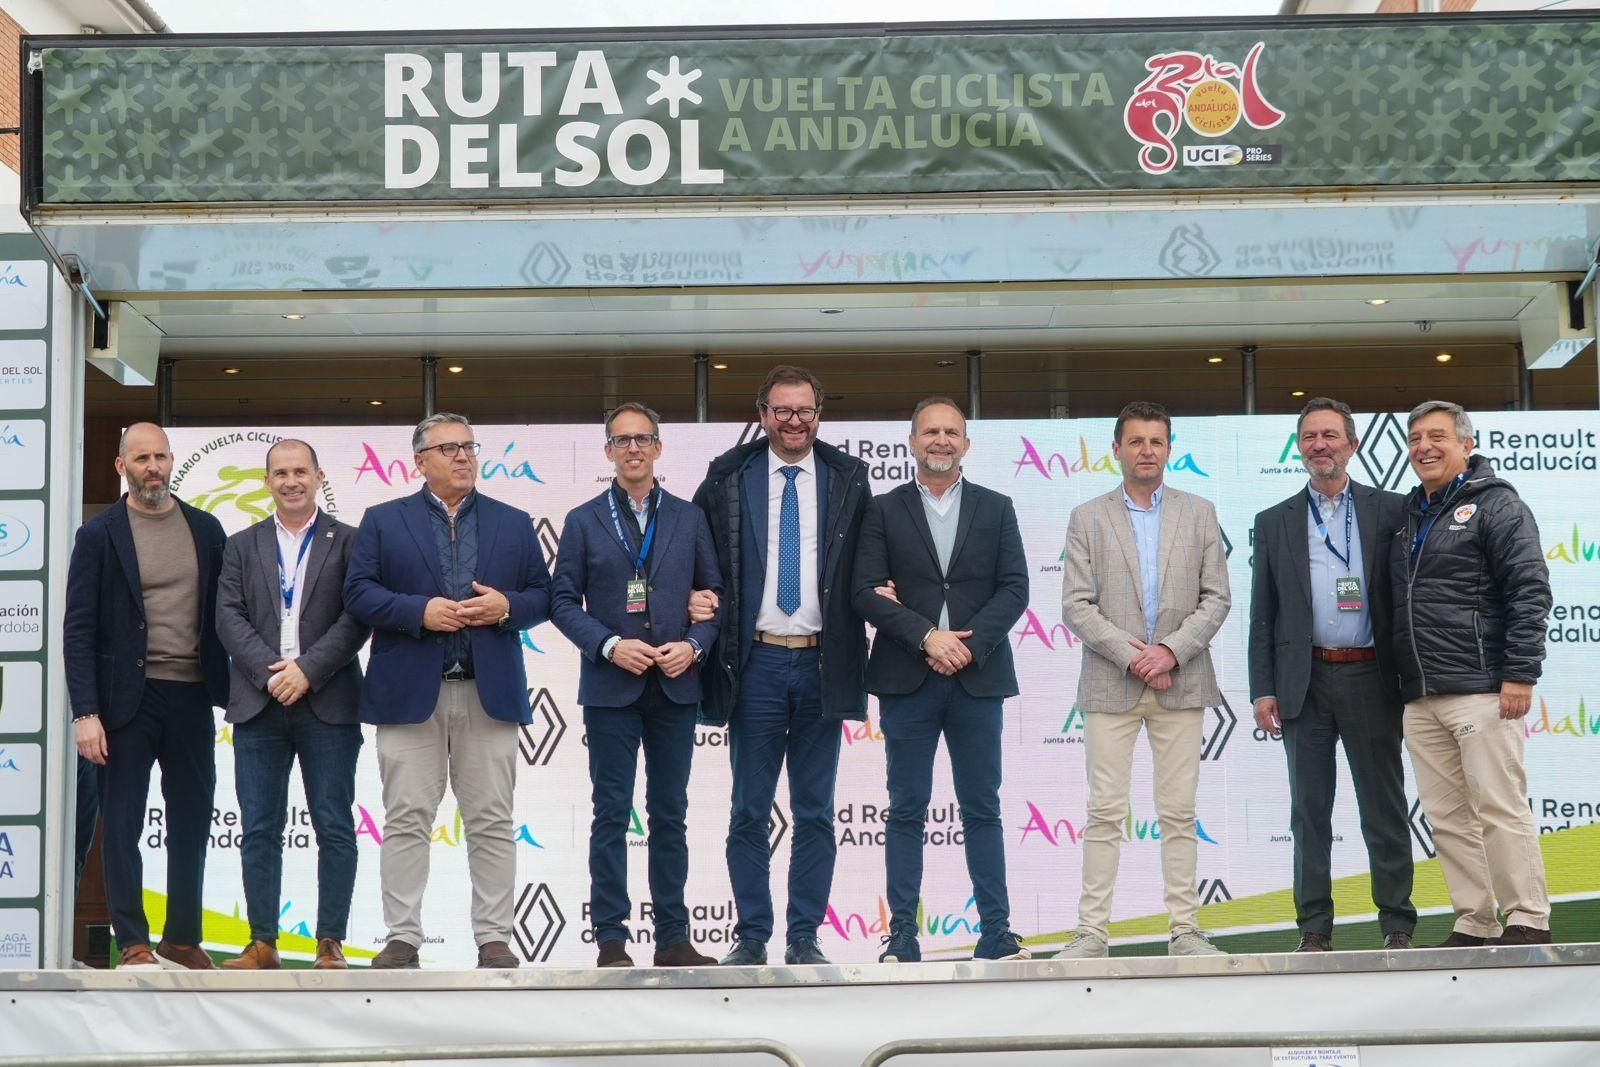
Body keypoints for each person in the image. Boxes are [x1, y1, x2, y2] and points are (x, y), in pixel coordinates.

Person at [343, 413, 552, 969]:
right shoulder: (384, 521)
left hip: (488, 692)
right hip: (411, 694)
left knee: (490, 819)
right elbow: (359, 593)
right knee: (407, 818)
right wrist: (420, 612)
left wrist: (508, 608)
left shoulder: (512, 521)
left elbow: (543, 595)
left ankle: (494, 938)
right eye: (448, 448)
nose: (463, 457)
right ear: (420, 461)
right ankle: (403, 938)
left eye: (468, 447)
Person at [692, 365, 872, 966]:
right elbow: (695, 551)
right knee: (749, 807)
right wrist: (696, 597)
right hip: (756, 664)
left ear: (819, 415)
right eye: (782, 410)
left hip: (825, 661)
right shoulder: (727, 475)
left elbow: (871, 559)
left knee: (816, 811)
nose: (795, 422)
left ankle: (804, 936)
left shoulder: (849, 476)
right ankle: (750, 936)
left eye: (806, 411)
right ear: (763, 414)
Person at [852, 397, 1031, 964]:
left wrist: (968, 646)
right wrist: (928, 636)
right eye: (930, 431)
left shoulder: (997, 507)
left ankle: (996, 932)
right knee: (906, 807)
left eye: (951, 431)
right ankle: (902, 935)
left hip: (977, 678)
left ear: (967, 444)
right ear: (911, 441)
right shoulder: (882, 510)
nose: (941, 440)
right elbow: (863, 591)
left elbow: (1016, 588)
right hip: (909, 677)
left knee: (982, 806)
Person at [551, 403, 723, 969]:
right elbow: (559, 602)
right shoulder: (582, 520)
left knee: (670, 812)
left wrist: (694, 644)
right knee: (610, 812)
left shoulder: (689, 517)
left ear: (658, 448)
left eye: (642, 439)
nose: (632, 449)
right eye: (621, 441)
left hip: (675, 684)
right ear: (607, 452)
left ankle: (674, 937)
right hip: (611, 686)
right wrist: (607, 645)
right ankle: (610, 938)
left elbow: (714, 599)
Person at [1059, 401, 1232, 959]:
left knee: (1178, 812)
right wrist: (1135, 657)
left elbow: (1217, 598)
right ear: (1116, 450)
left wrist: (1170, 653)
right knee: (1105, 811)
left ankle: (1185, 930)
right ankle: (1091, 933)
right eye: (1135, 442)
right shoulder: (1087, 516)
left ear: (1169, 448)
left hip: (1181, 683)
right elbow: (1077, 607)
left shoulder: (1200, 512)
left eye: (1156, 442)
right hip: (1112, 685)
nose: (1146, 451)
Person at [1248, 398, 1416, 953]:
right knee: (1308, 812)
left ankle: (1397, 923)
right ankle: (1314, 928)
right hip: (1305, 682)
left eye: (1330, 435)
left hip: (1371, 677)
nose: (1319, 444)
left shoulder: (1393, 510)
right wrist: (1263, 687)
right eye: (1309, 436)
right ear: (1300, 447)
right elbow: (1262, 612)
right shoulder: (1273, 521)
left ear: (1353, 444)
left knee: (1383, 806)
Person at [63, 422, 230, 970]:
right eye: (141, 458)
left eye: (160, 456)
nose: (152, 467)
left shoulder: (206, 529)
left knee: (191, 820)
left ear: (171, 460)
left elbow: (226, 617)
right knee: (123, 823)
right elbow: (79, 629)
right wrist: (85, 712)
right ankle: (131, 941)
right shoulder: (99, 534)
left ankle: (181, 938)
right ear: (121, 467)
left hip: (191, 697)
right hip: (122, 704)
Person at [1391, 400, 1552, 947]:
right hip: (1421, 696)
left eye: (1436, 436)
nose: (1423, 447)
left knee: (1498, 807)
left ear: (1466, 443)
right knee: (1448, 818)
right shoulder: (1411, 512)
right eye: (1414, 438)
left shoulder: (1497, 504)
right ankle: (1475, 920)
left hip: (1483, 688)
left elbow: (1529, 588)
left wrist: (1520, 673)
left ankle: (1527, 915)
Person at [215, 440, 370, 970]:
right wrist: (271, 673)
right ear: (267, 482)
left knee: (333, 823)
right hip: (259, 703)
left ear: (319, 476)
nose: (290, 481)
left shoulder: (348, 541)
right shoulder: (240, 545)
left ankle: (330, 942)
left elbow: (356, 618)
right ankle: (262, 943)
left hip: (328, 699)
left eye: (300, 471)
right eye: (279, 473)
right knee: (259, 826)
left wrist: (307, 670)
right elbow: (228, 617)